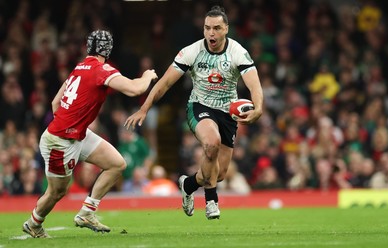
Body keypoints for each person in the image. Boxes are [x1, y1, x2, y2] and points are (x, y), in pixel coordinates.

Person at [125, 6, 263, 220]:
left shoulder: (238, 52)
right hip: (200, 107)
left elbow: (255, 86)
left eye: (217, 28)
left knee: (221, 173)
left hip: (228, 112)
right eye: (207, 28)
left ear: (226, 29)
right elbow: (164, 83)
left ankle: (188, 184)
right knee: (211, 142)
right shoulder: (191, 51)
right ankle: (211, 201)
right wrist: (144, 108)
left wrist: (259, 108)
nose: (211, 33)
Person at [22, 30, 158, 238]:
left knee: (117, 164)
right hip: (60, 141)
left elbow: (55, 103)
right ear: (108, 48)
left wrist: (72, 123)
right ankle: (33, 223)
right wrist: (147, 75)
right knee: (57, 192)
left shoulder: (78, 68)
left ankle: (87, 211)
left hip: (74, 134)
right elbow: (134, 89)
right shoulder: (101, 69)